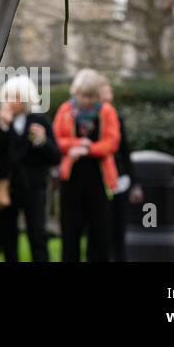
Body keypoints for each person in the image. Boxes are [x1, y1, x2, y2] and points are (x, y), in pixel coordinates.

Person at [0, 75, 60, 261]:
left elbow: (55, 157)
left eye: (17, 97)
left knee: (37, 234)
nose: (12, 102)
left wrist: (42, 142)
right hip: (7, 187)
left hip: (34, 187)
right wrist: (3, 127)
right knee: (8, 237)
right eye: (9, 96)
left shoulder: (39, 122)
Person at [53, 69, 121, 262]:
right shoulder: (65, 110)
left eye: (92, 96)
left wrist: (89, 149)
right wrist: (76, 145)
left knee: (100, 233)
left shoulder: (107, 111)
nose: (88, 100)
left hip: (99, 179)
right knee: (70, 231)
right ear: (76, 93)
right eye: (85, 96)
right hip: (71, 177)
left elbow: (112, 142)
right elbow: (57, 139)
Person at [100, 80, 141, 261]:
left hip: (118, 179)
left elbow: (124, 152)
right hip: (99, 179)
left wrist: (134, 183)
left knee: (118, 231)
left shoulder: (116, 117)